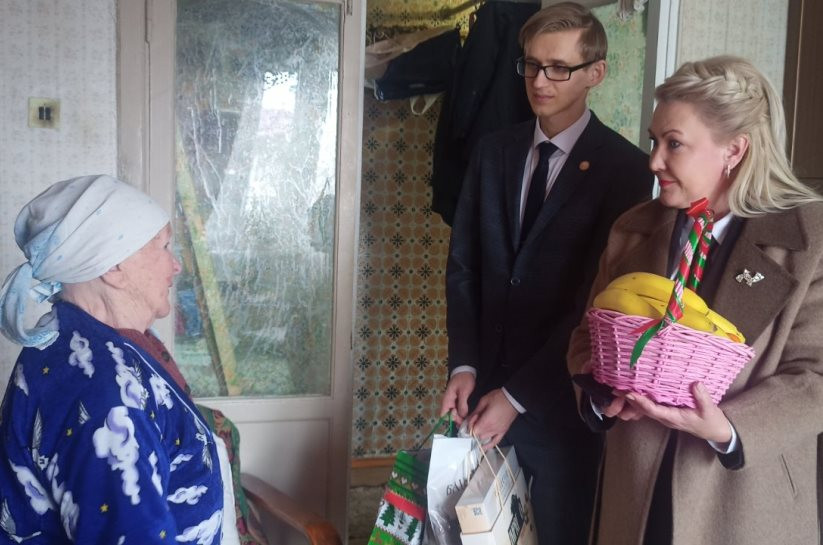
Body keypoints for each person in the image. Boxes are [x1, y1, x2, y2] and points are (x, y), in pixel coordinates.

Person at [567, 56, 823, 545]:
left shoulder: (812, 239)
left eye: (674, 144)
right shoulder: (633, 228)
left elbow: (815, 377)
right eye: (654, 141)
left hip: (743, 500)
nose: (653, 161)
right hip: (634, 491)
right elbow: (586, 336)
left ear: (734, 150)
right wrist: (600, 395)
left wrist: (726, 428)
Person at [439, 3, 653, 543]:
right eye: (532, 65)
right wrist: (464, 362)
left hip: (560, 414)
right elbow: (464, 265)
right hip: (480, 396)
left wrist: (517, 397)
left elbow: (595, 304)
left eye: (558, 67)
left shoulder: (626, 170)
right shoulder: (493, 152)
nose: (539, 80)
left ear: (596, 73)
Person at [0, 175, 239, 544]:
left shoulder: (83, 340)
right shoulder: (104, 394)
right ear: (114, 267)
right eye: (164, 246)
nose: (176, 265)